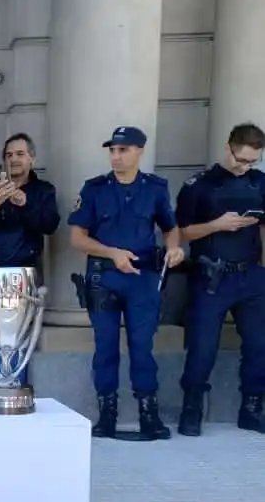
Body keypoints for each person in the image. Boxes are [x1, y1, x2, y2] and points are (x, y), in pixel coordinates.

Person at [68, 126, 185, 440]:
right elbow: (77, 238)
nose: (116, 156)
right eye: (113, 150)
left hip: (142, 280)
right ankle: (107, 415)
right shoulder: (95, 189)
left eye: (123, 150)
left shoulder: (155, 188)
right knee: (105, 347)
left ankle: (149, 414)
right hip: (104, 278)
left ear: (139, 151)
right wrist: (112, 253)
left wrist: (174, 248)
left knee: (142, 347)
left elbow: (170, 227)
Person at [174, 123, 265, 436]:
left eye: (253, 161)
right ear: (228, 148)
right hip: (211, 276)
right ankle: (192, 409)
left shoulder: (259, 182)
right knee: (203, 347)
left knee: (259, 345)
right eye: (241, 159)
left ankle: (251, 409)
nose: (245, 167)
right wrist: (217, 225)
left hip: (251, 275)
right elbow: (182, 232)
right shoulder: (198, 185)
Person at [0, 133, 60, 394]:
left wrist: (25, 203)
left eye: (20, 154)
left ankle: (15, 390)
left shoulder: (43, 191)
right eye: (9, 155)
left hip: (23, 273)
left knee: (19, 338)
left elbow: (50, 224)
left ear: (32, 158)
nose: (14, 159)